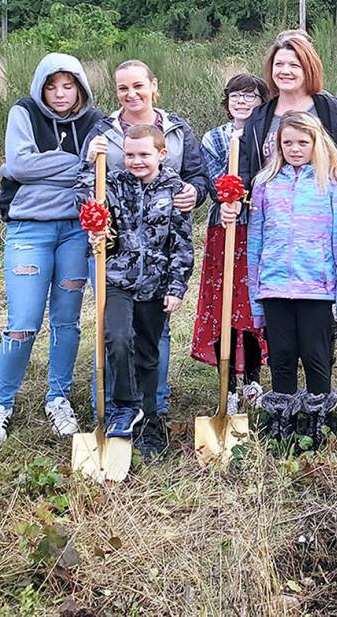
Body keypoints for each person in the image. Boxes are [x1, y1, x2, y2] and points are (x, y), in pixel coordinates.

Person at [0, 53, 104, 448]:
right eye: (52, 86)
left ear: (80, 88)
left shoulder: (95, 121)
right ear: (40, 88)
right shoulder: (24, 112)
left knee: (67, 320)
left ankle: (58, 398)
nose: (60, 94)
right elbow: (19, 166)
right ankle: (0, 405)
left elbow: (101, 168)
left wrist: (47, 166)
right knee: (24, 321)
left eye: (68, 86)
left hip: (76, 231)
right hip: (29, 229)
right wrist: (76, 162)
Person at [221, 34, 337, 361]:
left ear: (308, 68)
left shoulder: (330, 109)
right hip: (275, 233)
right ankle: (280, 379)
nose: (285, 71)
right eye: (279, 64)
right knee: (280, 328)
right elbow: (245, 172)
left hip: (319, 237)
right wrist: (234, 200)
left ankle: (321, 376)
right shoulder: (261, 116)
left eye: (294, 64)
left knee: (316, 328)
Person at [82, 59, 208, 418]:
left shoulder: (178, 129)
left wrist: (194, 193)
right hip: (116, 258)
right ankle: (114, 407)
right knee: (115, 333)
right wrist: (89, 168)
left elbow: (199, 178)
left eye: (138, 85)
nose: (131, 93)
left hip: (159, 257)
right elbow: (87, 191)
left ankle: (153, 409)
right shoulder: (102, 130)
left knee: (153, 338)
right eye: (123, 88)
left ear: (154, 85)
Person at [78, 125, 194, 459]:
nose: (136, 161)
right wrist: (89, 164)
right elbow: (86, 200)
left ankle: (149, 424)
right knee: (116, 338)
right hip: (118, 280)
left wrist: (176, 286)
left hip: (156, 285)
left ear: (162, 154)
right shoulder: (113, 182)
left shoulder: (175, 190)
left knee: (147, 353)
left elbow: (182, 243)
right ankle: (125, 406)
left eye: (144, 154)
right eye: (130, 154)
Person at [247, 112, 337, 446]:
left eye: (302, 142)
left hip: (316, 288)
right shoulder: (265, 183)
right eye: (288, 143)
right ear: (278, 145)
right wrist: (256, 298)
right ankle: (283, 419)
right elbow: (255, 242)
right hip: (275, 287)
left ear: (316, 142)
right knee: (281, 355)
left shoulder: (333, 181)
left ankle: (318, 418)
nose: (295, 149)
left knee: (315, 354)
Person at [190, 73, 270, 413]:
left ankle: (253, 379)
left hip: (257, 227)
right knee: (224, 304)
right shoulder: (213, 138)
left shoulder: (267, 135)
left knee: (250, 304)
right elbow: (213, 182)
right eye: (236, 95)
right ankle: (229, 385)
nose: (242, 101)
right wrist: (228, 195)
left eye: (250, 96)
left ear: (261, 102)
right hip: (224, 228)